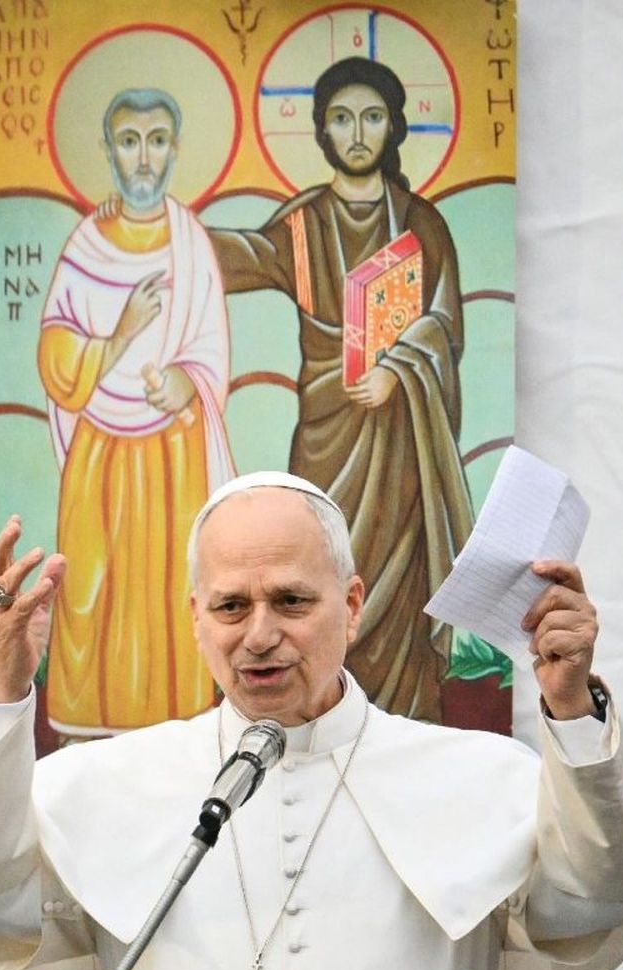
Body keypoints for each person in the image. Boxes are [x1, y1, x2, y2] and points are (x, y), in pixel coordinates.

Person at [0, 473, 623, 970]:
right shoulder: (106, 783)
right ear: (194, 617)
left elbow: (600, 898)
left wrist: (571, 709)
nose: (260, 634)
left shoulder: (479, 778)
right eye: (231, 606)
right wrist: (6, 689)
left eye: (290, 600)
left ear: (351, 604)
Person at [205, 57, 476, 724]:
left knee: (396, 604)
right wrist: (160, 236)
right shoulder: (303, 224)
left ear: (394, 126)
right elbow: (238, 255)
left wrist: (398, 366)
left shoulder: (422, 224)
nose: (358, 132)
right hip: (327, 441)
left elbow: (445, 322)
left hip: (401, 448)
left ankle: (405, 731)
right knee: (309, 577)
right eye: (342, 118)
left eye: (372, 116)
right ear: (323, 131)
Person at [35, 86, 235, 737]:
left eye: (155, 141)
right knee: (92, 591)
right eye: (128, 141)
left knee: (168, 600)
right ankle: (88, 735)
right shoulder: (86, 243)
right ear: (108, 151)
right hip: (99, 454)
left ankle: (174, 741)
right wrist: (119, 336)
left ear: (175, 150)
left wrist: (187, 379)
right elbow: (55, 356)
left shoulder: (189, 241)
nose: (143, 159)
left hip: (174, 454)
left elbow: (211, 345)